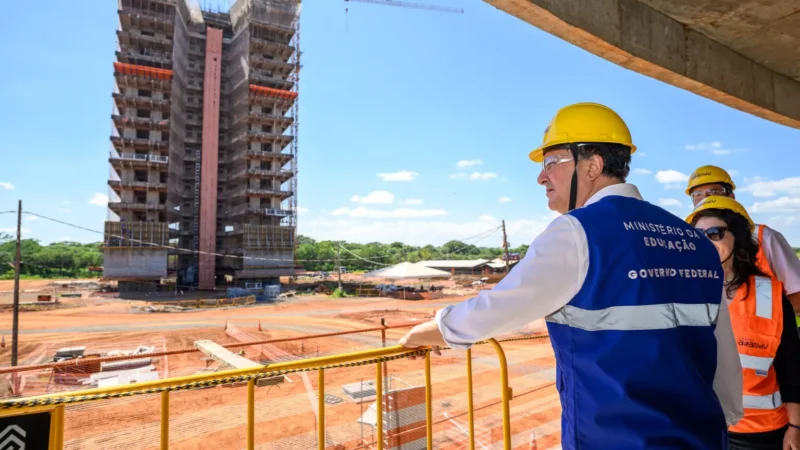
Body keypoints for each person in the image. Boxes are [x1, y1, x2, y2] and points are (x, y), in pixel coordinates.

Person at [398, 102, 743, 449]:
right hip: (703, 438)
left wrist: (420, 334)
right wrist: (722, 420)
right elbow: (724, 361)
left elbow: (491, 311)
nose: (541, 177)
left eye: (552, 163)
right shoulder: (694, 240)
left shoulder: (577, 233)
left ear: (592, 165)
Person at [686, 196, 800, 450]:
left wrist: (795, 427)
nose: (706, 242)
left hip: (759, 432)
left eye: (715, 233)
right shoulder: (683, 292)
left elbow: (791, 367)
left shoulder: (770, 295)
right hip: (701, 424)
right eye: (698, 234)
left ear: (736, 237)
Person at [686, 165, 800, 318]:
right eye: (698, 194)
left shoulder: (765, 237)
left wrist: (772, 321)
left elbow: (797, 295)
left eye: (714, 191)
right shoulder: (690, 240)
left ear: (731, 196)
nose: (706, 198)